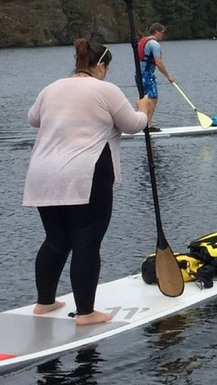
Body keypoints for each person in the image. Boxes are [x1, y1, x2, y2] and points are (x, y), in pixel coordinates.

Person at [23, 39, 149, 326]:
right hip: (85, 175)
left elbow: (33, 119)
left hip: (43, 175)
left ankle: (44, 303)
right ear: (101, 65)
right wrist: (144, 109)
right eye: (107, 67)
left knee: (56, 240)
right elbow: (132, 125)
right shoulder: (106, 90)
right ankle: (86, 313)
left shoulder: (50, 88)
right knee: (86, 242)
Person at [137, 22, 174, 131]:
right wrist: (168, 76)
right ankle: (148, 126)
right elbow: (158, 62)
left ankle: (141, 124)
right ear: (156, 31)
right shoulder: (154, 44)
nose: (163, 35)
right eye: (162, 33)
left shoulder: (142, 42)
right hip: (147, 74)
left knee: (144, 99)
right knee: (153, 98)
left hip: (139, 74)